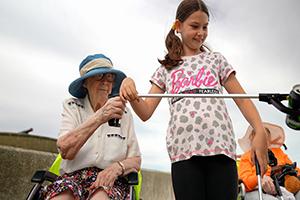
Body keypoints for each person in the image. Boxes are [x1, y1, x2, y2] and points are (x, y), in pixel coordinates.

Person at [119, 0, 268, 199]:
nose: (201, 32)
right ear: (178, 26)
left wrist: (259, 130)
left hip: (221, 150)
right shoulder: (166, 69)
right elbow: (145, 112)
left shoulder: (216, 60)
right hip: (183, 154)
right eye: (195, 26)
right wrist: (128, 84)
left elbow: (242, 100)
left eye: (205, 27)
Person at [41, 54, 141, 200]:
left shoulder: (123, 112)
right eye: (99, 76)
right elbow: (65, 150)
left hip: (110, 179)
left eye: (110, 77)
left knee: (100, 196)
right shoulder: (73, 107)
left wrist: (116, 168)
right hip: (73, 178)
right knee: (62, 196)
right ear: (85, 83)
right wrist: (101, 116)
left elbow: (136, 159)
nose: (106, 82)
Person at [238, 122, 300, 200]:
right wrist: (260, 179)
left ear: (270, 140)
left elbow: (296, 170)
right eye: (260, 136)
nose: (263, 139)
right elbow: (245, 182)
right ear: (252, 139)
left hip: (284, 187)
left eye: (266, 136)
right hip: (257, 190)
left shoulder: (278, 152)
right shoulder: (246, 157)